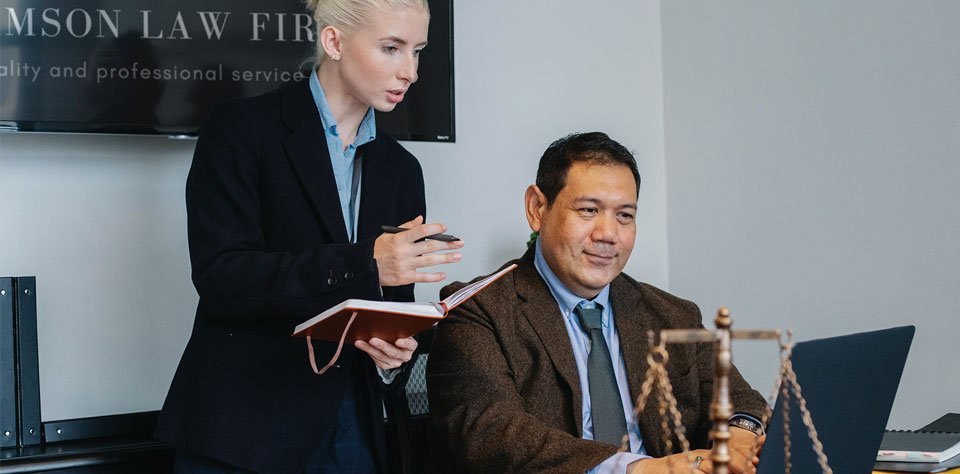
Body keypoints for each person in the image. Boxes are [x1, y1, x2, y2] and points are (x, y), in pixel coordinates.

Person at [154, 1, 462, 472]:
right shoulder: (241, 129)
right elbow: (222, 278)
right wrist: (366, 263)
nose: (411, 72)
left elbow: (391, 306)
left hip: (351, 428)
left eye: (417, 51)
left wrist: (395, 353)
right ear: (334, 41)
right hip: (243, 427)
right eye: (391, 48)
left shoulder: (402, 169)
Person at [426, 132, 767, 474]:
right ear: (537, 209)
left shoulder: (674, 315)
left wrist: (739, 438)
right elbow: (493, 435)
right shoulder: (477, 311)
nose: (608, 234)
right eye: (588, 210)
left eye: (624, 216)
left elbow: (742, 400)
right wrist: (637, 469)